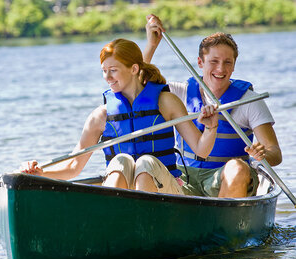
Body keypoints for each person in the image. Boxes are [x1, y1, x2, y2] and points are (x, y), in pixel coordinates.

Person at [21, 38, 218, 195]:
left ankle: (140, 218)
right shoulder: (101, 116)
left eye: (113, 70)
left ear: (133, 69)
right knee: (120, 160)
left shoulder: (166, 102)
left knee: (145, 162)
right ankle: (114, 218)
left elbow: (201, 150)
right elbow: (73, 166)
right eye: (104, 71)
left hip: (168, 194)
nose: (107, 77)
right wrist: (41, 173)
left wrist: (210, 128)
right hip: (125, 197)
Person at [144, 14, 282, 198]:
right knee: (146, 164)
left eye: (227, 63)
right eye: (214, 61)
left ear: (234, 66)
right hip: (184, 176)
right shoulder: (179, 93)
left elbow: (275, 153)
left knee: (237, 167)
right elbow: (139, 84)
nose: (221, 69)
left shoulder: (250, 101)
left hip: (227, 177)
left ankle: (221, 224)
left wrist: (263, 154)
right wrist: (152, 45)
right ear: (200, 63)